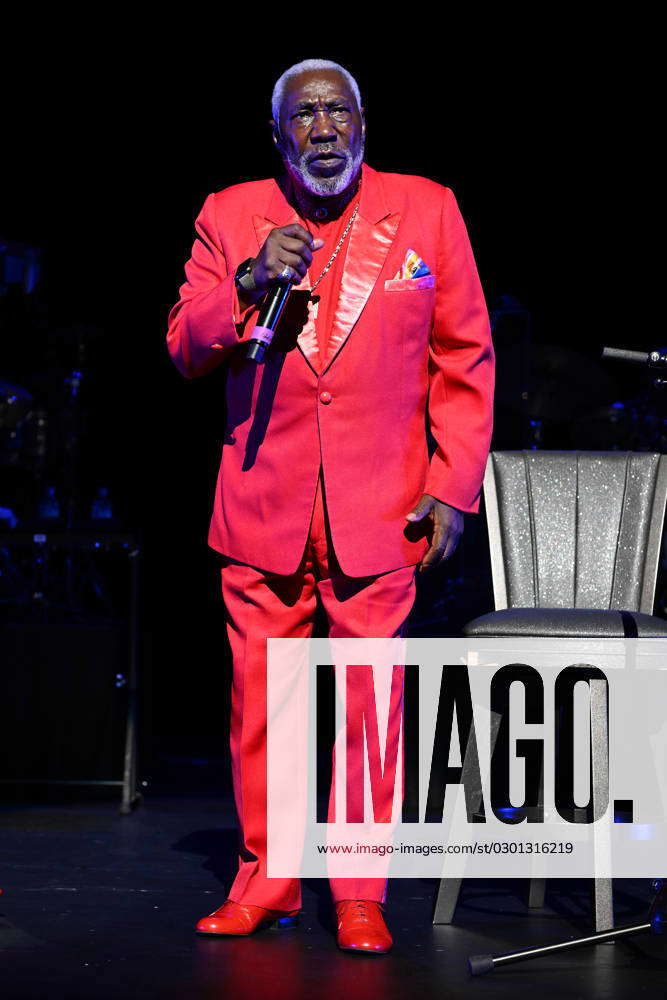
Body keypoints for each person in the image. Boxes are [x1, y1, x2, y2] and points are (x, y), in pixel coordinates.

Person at [166, 57, 495, 954]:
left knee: (365, 704)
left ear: (361, 125)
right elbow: (184, 342)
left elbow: (464, 358)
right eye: (304, 116)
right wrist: (241, 281)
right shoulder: (229, 212)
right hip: (263, 502)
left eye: (337, 112)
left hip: (379, 505)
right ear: (278, 136)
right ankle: (265, 882)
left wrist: (449, 485)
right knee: (262, 705)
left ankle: (358, 891)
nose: (323, 129)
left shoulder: (426, 206)